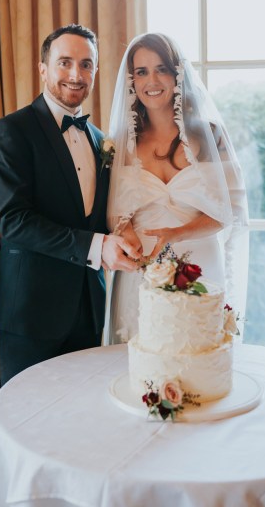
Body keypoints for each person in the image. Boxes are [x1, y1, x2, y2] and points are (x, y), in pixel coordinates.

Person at [0, 23, 139, 385]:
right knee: (27, 422)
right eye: (65, 62)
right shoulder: (11, 131)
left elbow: (103, 217)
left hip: (89, 311)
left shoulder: (102, 140)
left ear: (96, 72)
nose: (76, 74)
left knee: (81, 424)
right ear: (43, 69)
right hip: (32, 316)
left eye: (86, 64)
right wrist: (98, 246)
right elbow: (14, 221)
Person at [104, 32, 249, 344]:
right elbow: (113, 210)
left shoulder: (209, 135)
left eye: (161, 69)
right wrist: (124, 229)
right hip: (140, 270)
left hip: (201, 264)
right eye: (141, 72)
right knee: (142, 363)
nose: (151, 81)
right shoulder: (121, 143)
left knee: (195, 362)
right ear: (132, 80)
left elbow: (230, 214)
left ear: (177, 74)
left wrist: (176, 233)